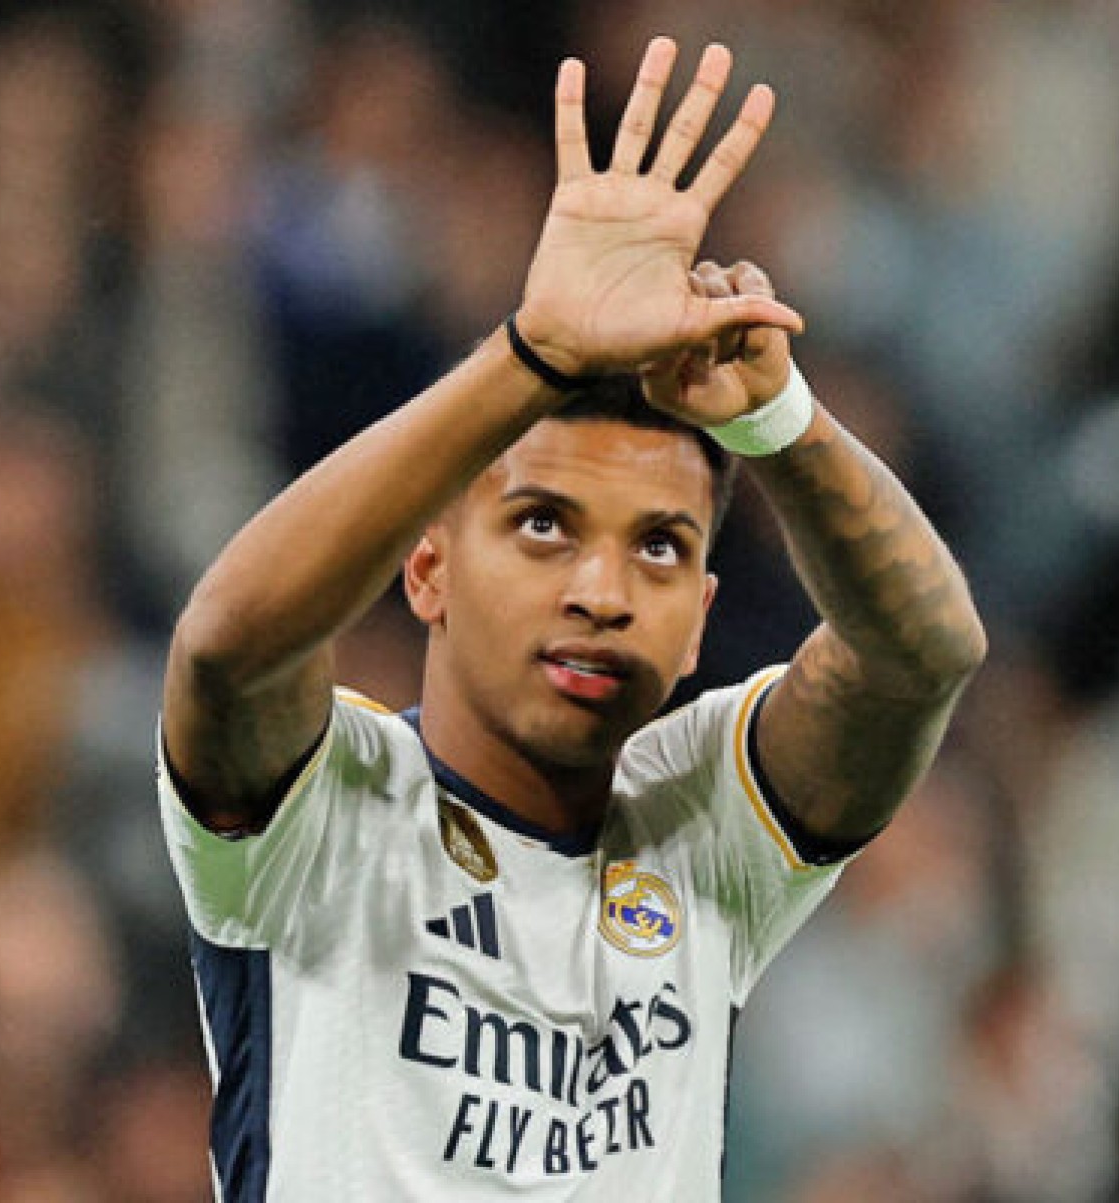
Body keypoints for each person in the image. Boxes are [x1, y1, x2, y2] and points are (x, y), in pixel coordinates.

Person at [156, 36, 986, 1200]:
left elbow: (922, 655)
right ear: (429, 567)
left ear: (698, 619)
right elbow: (227, 646)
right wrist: (533, 355)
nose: (602, 592)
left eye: (658, 546)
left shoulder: (700, 831)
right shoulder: (326, 807)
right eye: (544, 524)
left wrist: (778, 419)